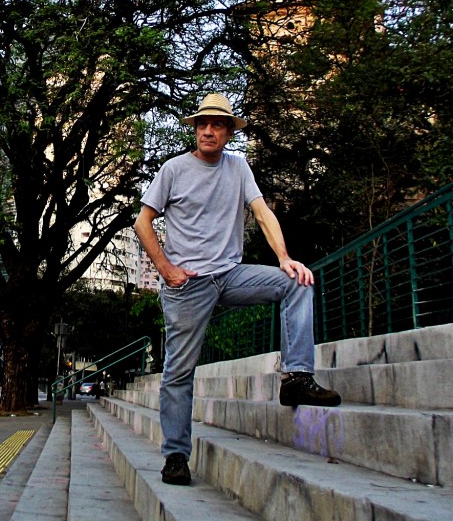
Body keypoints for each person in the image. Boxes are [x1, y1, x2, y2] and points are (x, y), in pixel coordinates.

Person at [133, 93, 341, 487]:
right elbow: (143, 222)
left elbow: (262, 211)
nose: (208, 131)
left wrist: (284, 258)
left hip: (229, 274)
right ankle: (176, 456)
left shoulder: (239, 167)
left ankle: (296, 376)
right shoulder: (174, 169)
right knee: (178, 373)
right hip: (188, 285)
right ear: (195, 129)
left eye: (216, 125)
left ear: (229, 132)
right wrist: (166, 269)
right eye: (202, 125)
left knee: (296, 282)